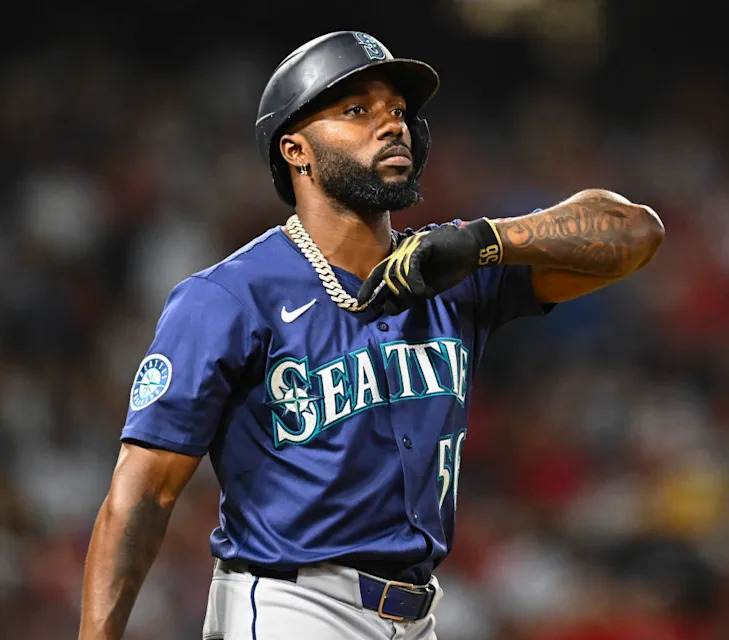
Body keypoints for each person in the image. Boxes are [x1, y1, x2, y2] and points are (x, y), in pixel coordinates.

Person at [78, 31, 664, 639]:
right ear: (296, 150)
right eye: (357, 110)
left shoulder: (453, 267)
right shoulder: (229, 297)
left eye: (399, 112)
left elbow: (637, 235)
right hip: (290, 605)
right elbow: (141, 494)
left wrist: (486, 240)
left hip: (418, 614)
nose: (391, 126)